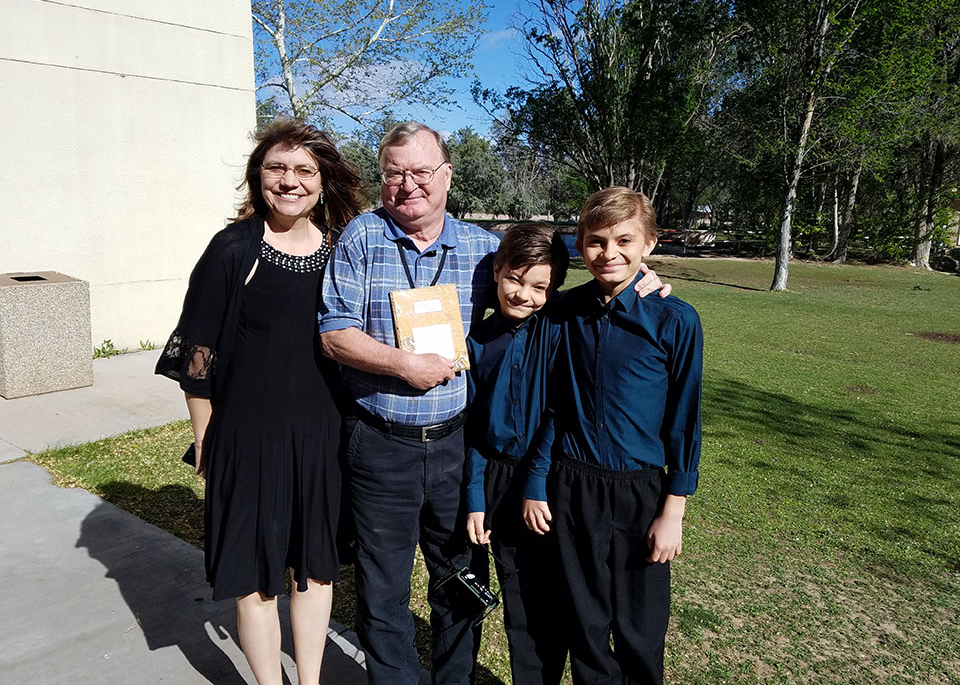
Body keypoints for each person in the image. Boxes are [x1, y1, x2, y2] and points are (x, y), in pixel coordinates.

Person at [318, 122, 669, 685]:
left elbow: (543, 283)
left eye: (421, 172)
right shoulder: (362, 237)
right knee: (381, 586)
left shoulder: (484, 252)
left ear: (447, 176)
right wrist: (404, 365)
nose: (408, 184)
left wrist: (641, 278)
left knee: (458, 580)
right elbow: (334, 332)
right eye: (393, 173)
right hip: (380, 445)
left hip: (456, 446)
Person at [155, 118, 364, 685]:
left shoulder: (344, 251)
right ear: (258, 176)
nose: (289, 180)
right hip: (246, 438)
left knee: (314, 571)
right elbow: (197, 356)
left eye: (304, 170)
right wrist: (206, 435)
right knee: (254, 576)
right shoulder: (233, 248)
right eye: (277, 168)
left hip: (322, 437)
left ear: (323, 182)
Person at [523, 187, 703, 685]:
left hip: (641, 490)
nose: (609, 253)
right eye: (596, 242)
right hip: (573, 484)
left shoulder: (675, 319)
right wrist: (539, 480)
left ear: (650, 244)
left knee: (640, 628)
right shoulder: (563, 312)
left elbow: (684, 420)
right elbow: (553, 402)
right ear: (580, 246)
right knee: (586, 622)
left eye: (625, 240)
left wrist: (673, 511)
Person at [463, 222, 570, 685]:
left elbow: (558, 410)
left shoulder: (564, 324)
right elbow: (469, 427)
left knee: (532, 602)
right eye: (514, 279)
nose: (524, 294)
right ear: (497, 271)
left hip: (541, 483)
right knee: (466, 592)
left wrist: (646, 276)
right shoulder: (477, 341)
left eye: (539, 286)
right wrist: (474, 497)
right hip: (487, 476)